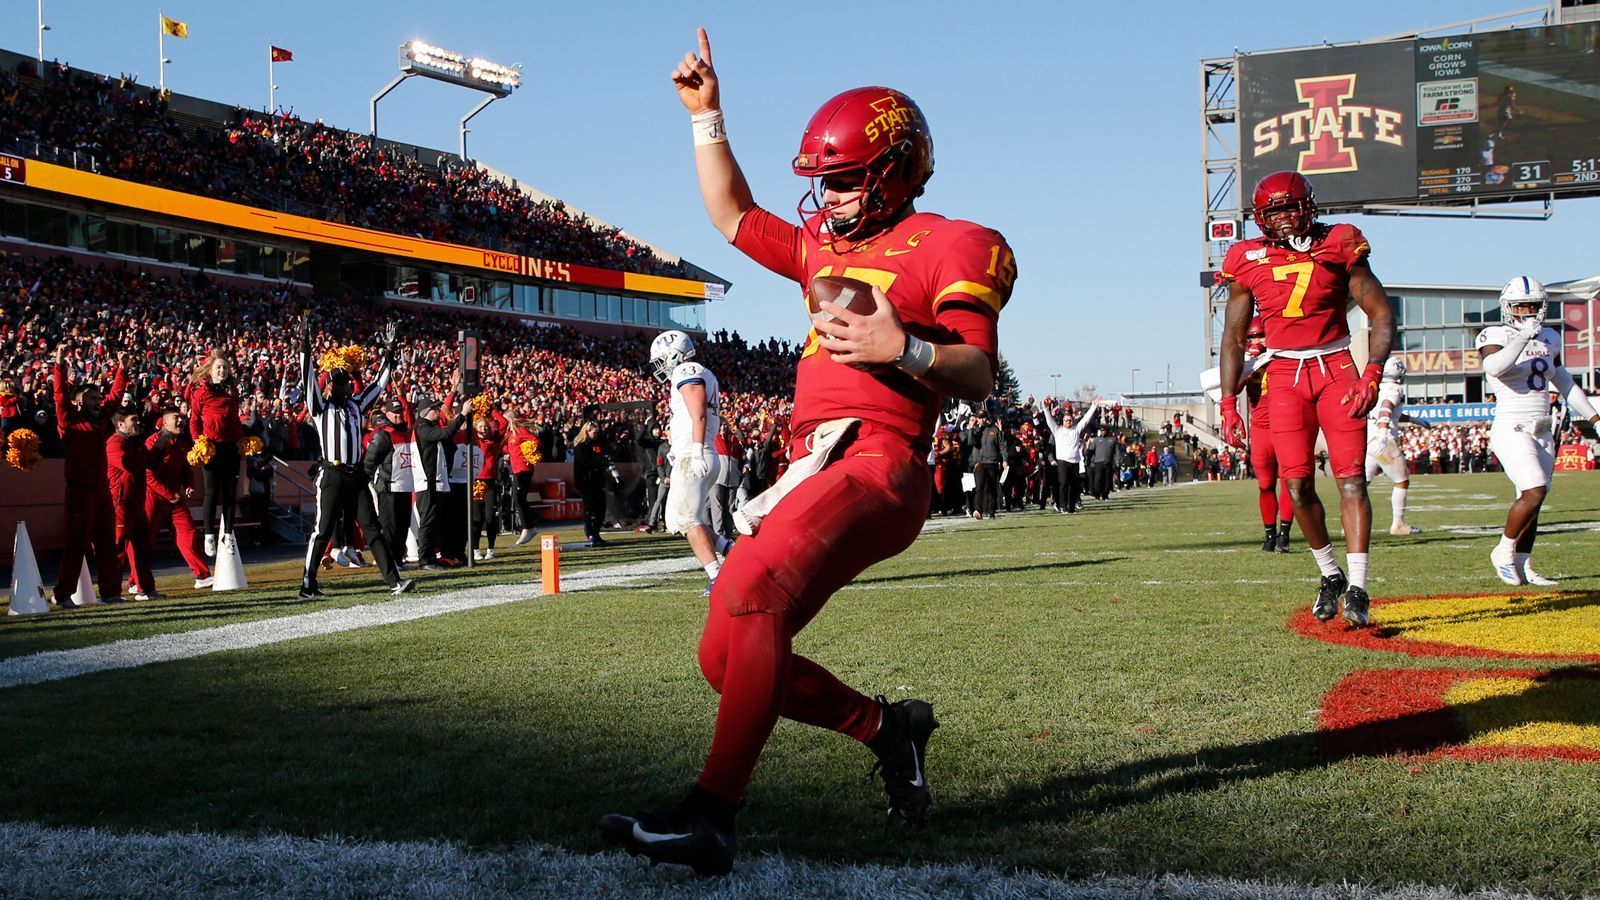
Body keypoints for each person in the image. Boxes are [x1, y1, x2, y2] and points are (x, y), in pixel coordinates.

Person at [601, 30, 1015, 874]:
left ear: (897, 168)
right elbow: (730, 215)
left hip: (882, 458)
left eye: (843, 178)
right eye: (819, 181)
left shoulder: (954, 243)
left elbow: (978, 372)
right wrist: (707, 117)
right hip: (812, 463)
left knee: (751, 590)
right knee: (724, 658)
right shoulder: (824, 247)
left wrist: (906, 349)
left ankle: (711, 817)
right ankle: (887, 729)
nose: (825, 197)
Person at [1218, 171, 1394, 628]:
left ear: (1308, 206)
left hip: (1336, 369)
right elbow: (1234, 338)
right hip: (1283, 376)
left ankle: (1358, 584)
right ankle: (1329, 575)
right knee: (1296, 486)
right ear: (1261, 216)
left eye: (1289, 207)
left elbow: (1380, 313)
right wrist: (1226, 402)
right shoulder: (1246, 257)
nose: (1283, 219)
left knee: (1351, 479)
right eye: (1273, 211)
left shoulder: (1339, 241)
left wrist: (1372, 372)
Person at [1477, 276, 1599, 585]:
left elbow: (1564, 382)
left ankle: (1523, 563)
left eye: (1533, 306)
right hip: (1511, 425)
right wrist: (1521, 338)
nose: (1527, 311)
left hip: (1542, 427)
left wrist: (1595, 420)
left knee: (1534, 498)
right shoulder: (1496, 334)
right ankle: (1503, 551)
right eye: (1521, 306)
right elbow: (1494, 367)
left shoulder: (1549, 337)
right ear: (1508, 308)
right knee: (1534, 489)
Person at [295, 316, 413, 599]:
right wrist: (304, 345)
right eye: (341, 383)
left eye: (347, 382)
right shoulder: (320, 407)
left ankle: (394, 581)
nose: (347, 387)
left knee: (372, 528)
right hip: (332, 473)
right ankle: (308, 585)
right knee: (322, 530)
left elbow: (379, 384)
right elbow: (307, 376)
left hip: (356, 474)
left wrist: (389, 351)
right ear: (329, 387)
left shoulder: (356, 405)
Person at [651, 330, 736, 590]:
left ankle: (717, 577)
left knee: (689, 520)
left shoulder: (686, 371)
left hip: (695, 454)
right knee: (680, 520)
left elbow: (698, 413)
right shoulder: (698, 372)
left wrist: (696, 448)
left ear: (673, 354)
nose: (661, 366)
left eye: (662, 359)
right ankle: (731, 551)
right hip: (694, 452)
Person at [52, 346, 128, 607]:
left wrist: (123, 369)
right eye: (92, 398)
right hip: (79, 491)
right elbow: (59, 396)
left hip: (101, 491)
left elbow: (116, 397)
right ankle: (63, 595)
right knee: (77, 545)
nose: (98, 401)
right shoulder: (69, 422)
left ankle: (111, 593)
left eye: (98, 397)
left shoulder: (99, 421)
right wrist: (60, 364)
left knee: (107, 544)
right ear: (79, 402)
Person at [1233, 317, 1293, 553]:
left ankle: (1284, 535)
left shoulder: (1284, 355)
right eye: (1252, 337)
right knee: (1265, 484)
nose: (1257, 340)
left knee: (1290, 481)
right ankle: (1269, 535)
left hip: (1286, 425)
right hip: (1260, 428)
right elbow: (1233, 387)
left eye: (1261, 335)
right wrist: (1248, 363)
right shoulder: (1248, 361)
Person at [145, 407, 214, 588]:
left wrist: (189, 484)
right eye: (176, 418)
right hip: (154, 497)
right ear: (165, 422)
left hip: (174, 498)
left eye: (181, 418)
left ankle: (202, 575)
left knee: (188, 533)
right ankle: (137, 581)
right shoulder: (156, 442)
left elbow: (185, 468)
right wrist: (169, 494)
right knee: (146, 539)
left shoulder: (182, 442)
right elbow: (148, 474)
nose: (180, 421)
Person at [187, 349, 243, 559]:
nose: (222, 370)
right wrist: (198, 443)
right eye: (218, 367)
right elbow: (194, 421)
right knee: (212, 492)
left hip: (231, 446)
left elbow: (235, 421)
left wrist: (242, 441)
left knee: (230, 492)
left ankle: (228, 533)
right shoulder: (201, 392)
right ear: (209, 370)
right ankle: (209, 534)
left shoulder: (232, 392)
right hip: (210, 447)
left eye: (225, 367)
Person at [1364, 358, 1428, 536]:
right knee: (1401, 481)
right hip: (1383, 440)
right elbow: (1386, 409)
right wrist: (1383, 434)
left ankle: (1350, 524)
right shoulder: (1394, 389)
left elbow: (1389, 413)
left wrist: (1414, 420)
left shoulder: (1375, 386)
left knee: (1361, 485)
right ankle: (1398, 524)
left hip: (1368, 439)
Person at [106, 410, 158, 600]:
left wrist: (156, 449)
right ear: (120, 424)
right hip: (121, 503)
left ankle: (145, 588)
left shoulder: (133, 444)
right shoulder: (114, 443)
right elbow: (128, 464)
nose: (138, 423)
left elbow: (151, 463)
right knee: (118, 548)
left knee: (144, 546)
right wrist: (148, 453)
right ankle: (111, 592)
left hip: (136, 502)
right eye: (133, 420)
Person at [1043, 397, 1098, 512]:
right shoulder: (1058, 431)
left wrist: (1093, 406)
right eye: (1066, 420)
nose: (1068, 422)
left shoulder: (1076, 430)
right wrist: (1045, 408)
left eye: (1070, 420)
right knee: (1063, 484)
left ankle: (1072, 507)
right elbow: (1049, 420)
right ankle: (1063, 506)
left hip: (1075, 462)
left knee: (1074, 485)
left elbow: (1086, 419)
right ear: (1062, 422)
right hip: (1063, 462)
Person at [571, 420, 612, 548]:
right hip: (586, 481)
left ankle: (596, 533)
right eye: (594, 432)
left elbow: (601, 457)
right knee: (590, 509)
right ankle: (590, 534)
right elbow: (583, 464)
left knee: (601, 508)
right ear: (587, 432)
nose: (596, 435)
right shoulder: (581, 446)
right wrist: (599, 461)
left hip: (598, 480)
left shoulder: (597, 444)